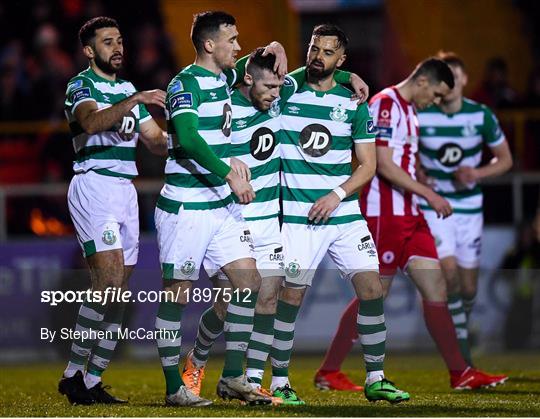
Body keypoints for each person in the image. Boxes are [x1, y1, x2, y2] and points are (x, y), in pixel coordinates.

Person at [179, 47, 368, 405]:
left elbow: (317, 72)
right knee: (226, 304)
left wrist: (348, 76)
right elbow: (196, 141)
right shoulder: (225, 105)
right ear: (247, 79)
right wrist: (227, 158)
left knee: (267, 300)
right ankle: (197, 361)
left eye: (280, 86)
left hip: (269, 220)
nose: (276, 94)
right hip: (230, 217)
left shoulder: (279, 95)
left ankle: (243, 380)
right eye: (269, 87)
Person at [314, 57, 508, 392]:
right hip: (383, 213)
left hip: (410, 213)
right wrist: (429, 193)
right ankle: (329, 371)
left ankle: (460, 372)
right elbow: (384, 165)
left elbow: (402, 159)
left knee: (437, 288)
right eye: (435, 94)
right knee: (375, 294)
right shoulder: (385, 106)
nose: (435, 101)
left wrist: (419, 178)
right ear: (421, 82)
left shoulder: (408, 110)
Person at [270, 23, 410, 405]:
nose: (318, 57)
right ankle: (280, 381)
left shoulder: (353, 104)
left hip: (344, 214)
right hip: (300, 217)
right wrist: (277, 44)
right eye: (314, 48)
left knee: (372, 290)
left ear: (341, 59)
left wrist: (336, 194)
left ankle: (376, 378)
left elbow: (367, 165)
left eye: (328, 52)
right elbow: (259, 75)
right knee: (290, 298)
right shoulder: (286, 92)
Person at [153, 11, 286, 407]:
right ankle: (174, 385)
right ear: (210, 45)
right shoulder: (184, 84)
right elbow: (190, 140)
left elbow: (257, 65)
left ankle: (232, 378)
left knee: (248, 284)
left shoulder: (224, 79)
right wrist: (230, 173)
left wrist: (275, 47)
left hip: (220, 208)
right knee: (176, 294)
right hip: (186, 207)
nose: (238, 46)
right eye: (232, 38)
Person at [58, 16, 168, 405]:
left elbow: (154, 141)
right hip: (94, 186)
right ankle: (72, 374)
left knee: (120, 291)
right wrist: (136, 101)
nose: (118, 47)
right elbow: (90, 120)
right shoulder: (81, 86)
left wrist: (189, 135)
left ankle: (91, 379)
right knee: (107, 282)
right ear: (89, 51)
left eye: (120, 40)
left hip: (125, 190)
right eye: (108, 42)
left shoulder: (126, 88)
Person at [417, 51, 513, 365]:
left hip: (469, 207)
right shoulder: (423, 113)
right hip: (435, 205)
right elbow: (406, 151)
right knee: (449, 275)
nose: (452, 83)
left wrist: (477, 173)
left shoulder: (481, 115)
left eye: (456, 76)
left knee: (468, 286)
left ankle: (464, 324)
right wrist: (419, 173)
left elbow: (505, 160)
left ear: (465, 79)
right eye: (447, 77)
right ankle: (461, 352)